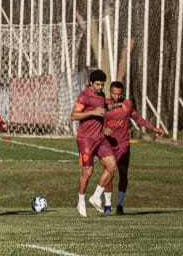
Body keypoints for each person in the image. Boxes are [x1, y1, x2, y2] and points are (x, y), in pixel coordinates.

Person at [102, 80, 166, 215]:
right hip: (108, 144)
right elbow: (97, 122)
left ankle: (119, 204)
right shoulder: (104, 104)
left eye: (119, 94)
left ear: (122, 93)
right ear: (110, 92)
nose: (116, 96)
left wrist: (153, 128)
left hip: (123, 144)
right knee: (109, 174)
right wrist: (104, 129)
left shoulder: (127, 104)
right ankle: (107, 205)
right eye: (114, 93)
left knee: (123, 174)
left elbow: (138, 119)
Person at [71, 70, 118, 217]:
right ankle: (81, 201)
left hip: (100, 138)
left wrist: (114, 108)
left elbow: (103, 109)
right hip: (86, 139)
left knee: (112, 167)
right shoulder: (84, 96)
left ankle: (96, 196)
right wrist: (93, 113)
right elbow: (73, 115)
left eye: (102, 84)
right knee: (88, 171)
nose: (100, 87)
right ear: (91, 83)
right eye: (97, 84)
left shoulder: (102, 95)